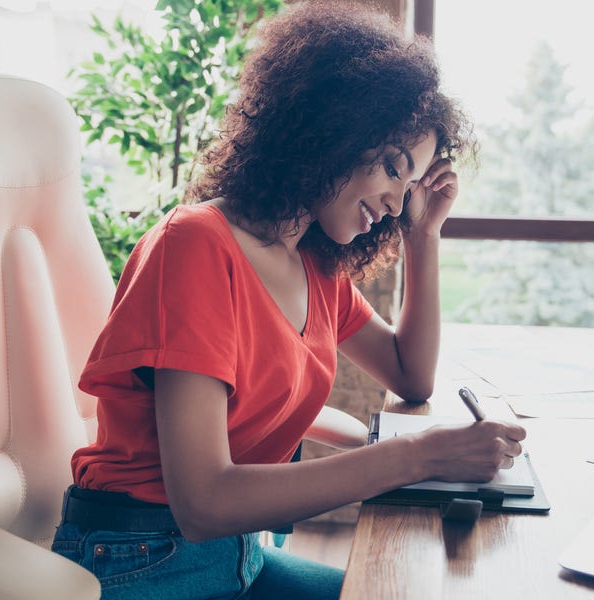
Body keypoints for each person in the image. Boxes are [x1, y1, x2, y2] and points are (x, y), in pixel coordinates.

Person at [51, 2, 527, 599]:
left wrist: (422, 235)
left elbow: (411, 376)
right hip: (143, 561)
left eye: (409, 186)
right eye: (391, 167)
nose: (395, 199)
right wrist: (418, 458)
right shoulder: (196, 245)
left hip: (239, 555)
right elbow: (203, 501)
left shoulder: (315, 265)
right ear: (333, 127)